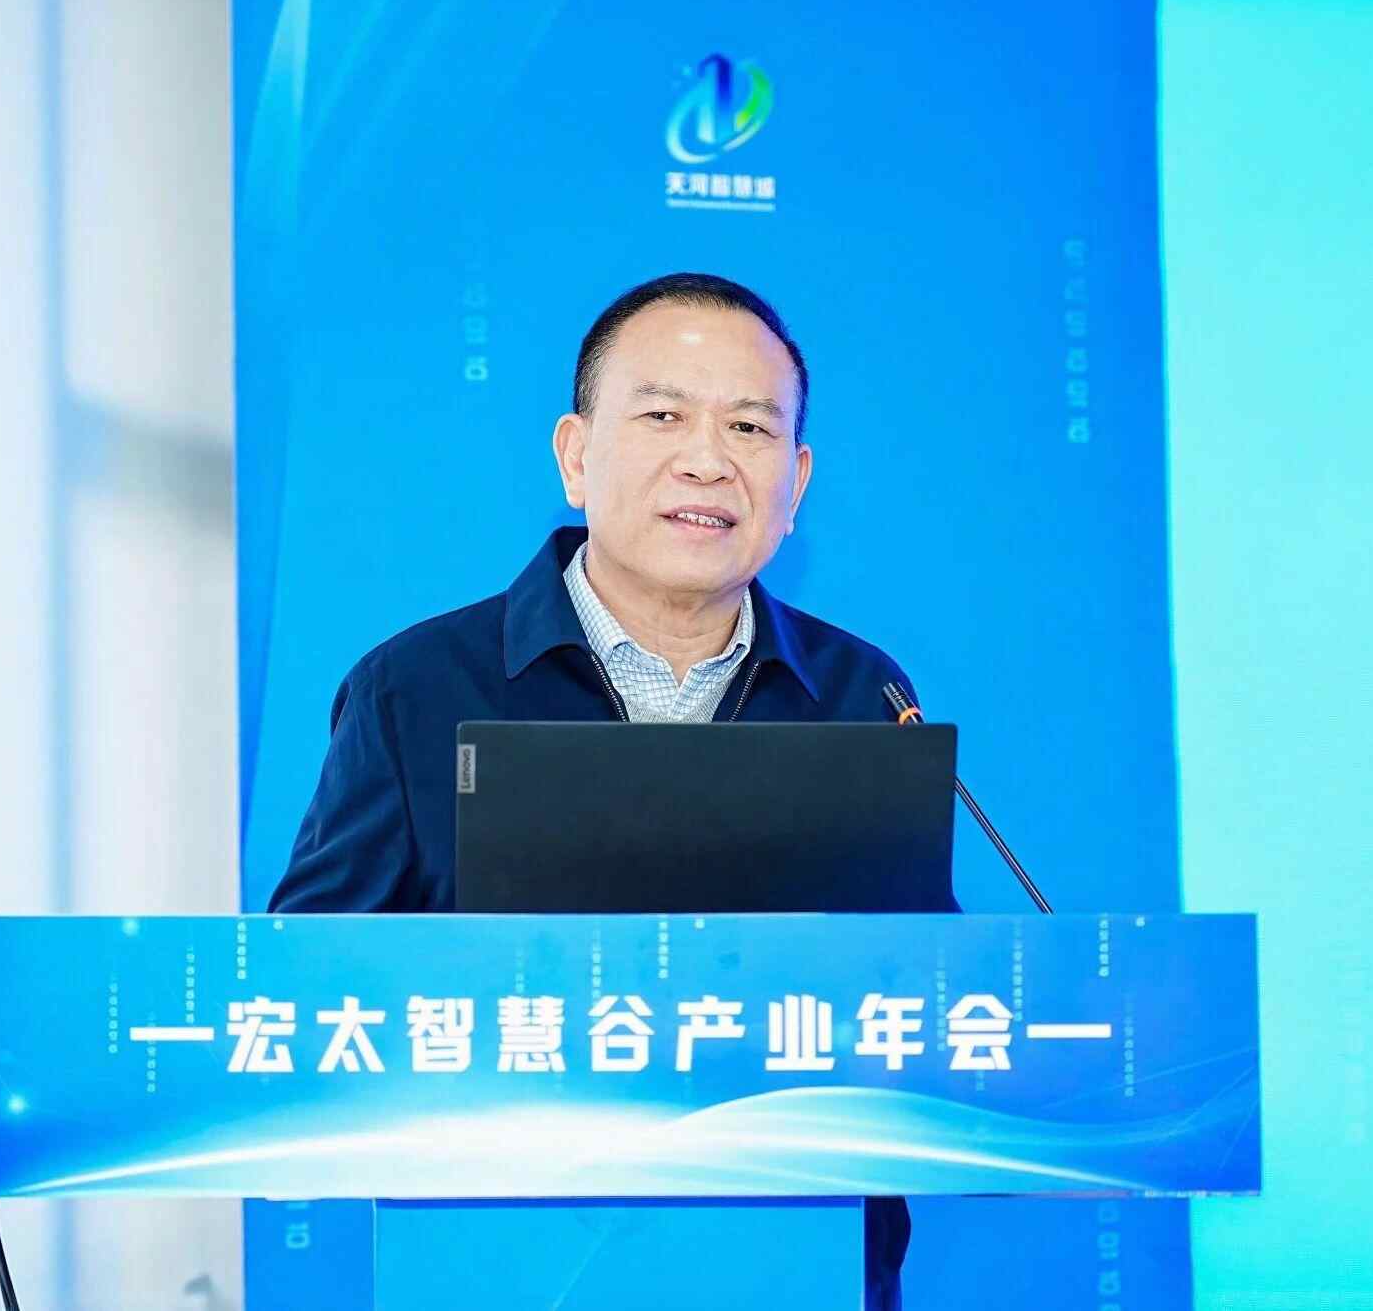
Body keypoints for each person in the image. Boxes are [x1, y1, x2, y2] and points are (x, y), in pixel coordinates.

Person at [270, 271, 924, 1309]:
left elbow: (922, 995)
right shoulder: (417, 687)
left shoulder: (864, 693)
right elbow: (306, 990)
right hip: (498, 1266)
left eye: (750, 428)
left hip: (797, 1264)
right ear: (575, 456)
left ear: (795, 481)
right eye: (663, 416)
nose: (707, 459)